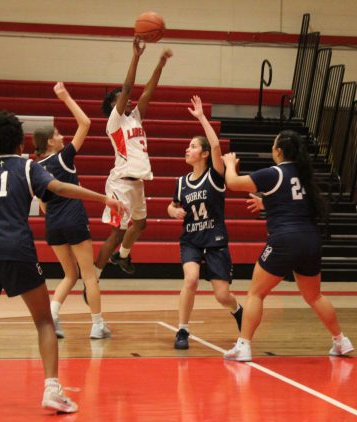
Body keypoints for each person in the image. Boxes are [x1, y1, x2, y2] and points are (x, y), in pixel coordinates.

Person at [0, 110, 126, 413]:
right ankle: (52, 389)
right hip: (17, 249)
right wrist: (103, 198)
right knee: (43, 321)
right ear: (20, 142)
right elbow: (60, 188)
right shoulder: (28, 168)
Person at [220, 130, 353, 362]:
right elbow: (296, 204)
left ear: (278, 151)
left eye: (273, 144)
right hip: (310, 240)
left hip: (285, 240)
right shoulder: (304, 175)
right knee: (314, 296)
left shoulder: (274, 173)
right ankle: (341, 340)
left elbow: (232, 183)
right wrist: (267, 204)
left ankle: (244, 345)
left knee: (256, 293)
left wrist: (230, 164)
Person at [34, 82, 110, 340]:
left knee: (69, 274)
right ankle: (97, 324)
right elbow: (86, 123)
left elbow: (42, 206)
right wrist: (65, 97)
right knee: (88, 274)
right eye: (57, 134)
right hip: (74, 218)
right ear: (49, 142)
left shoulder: (34, 168)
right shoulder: (62, 157)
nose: (62, 137)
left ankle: (53, 316)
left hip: (53, 225)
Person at [93, 37, 173, 277]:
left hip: (136, 183)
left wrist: (160, 64)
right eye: (120, 98)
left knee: (140, 224)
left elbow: (149, 90)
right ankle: (92, 279)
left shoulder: (135, 117)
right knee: (117, 232)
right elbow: (128, 87)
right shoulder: (114, 122)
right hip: (120, 183)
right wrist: (136, 56)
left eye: (125, 98)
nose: (126, 99)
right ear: (113, 105)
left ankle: (123, 256)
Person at [169, 96, 243, 350]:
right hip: (191, 238)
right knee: (191, 279)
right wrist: (171, 211)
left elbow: (215, 145)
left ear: (202, 153)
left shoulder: (214, 175)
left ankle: (238, 310)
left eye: (191, 146)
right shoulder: (181, 182)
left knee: (222, 295)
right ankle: (182, 330)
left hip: (215, 238)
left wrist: (201, 117)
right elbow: (174, 205)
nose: (187, 150)